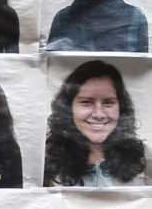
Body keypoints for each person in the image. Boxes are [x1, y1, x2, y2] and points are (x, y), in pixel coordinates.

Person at [43, 59, 148, 187]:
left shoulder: (146, 162)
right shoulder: (46, 164)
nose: (99, 114)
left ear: (121, 107)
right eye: (86, 102)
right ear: (69, 107)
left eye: (108, 103)